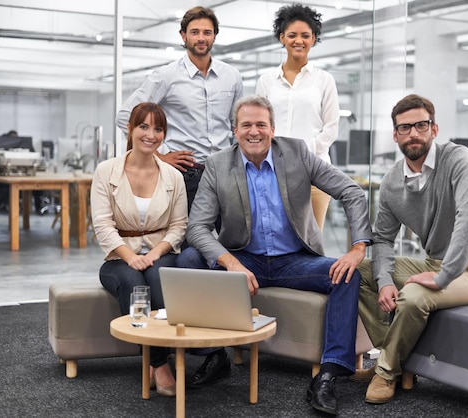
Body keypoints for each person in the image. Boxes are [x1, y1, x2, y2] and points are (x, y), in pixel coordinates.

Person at [175, 95, 372, 415]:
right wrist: (231, 262)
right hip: (244, 258)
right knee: (188, 260)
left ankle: (329, 374)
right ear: (234, 130)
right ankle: (214, 354)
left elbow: (351, 191)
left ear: (273, 128)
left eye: (261, 125)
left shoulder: (296, 153)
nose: (254, 132)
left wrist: (357, 247)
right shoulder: (217, 164)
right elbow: (197, 228)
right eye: (246, 125)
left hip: (295, 260)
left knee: (347, 274)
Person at [352, 94, 468, 404]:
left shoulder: (458, 158)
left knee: (415, 295)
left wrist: (444, 276)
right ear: (395, 135)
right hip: (433, 263)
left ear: (434, 129)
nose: (413, 134)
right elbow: (382, 239)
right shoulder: (392, 183)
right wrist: (385, 281)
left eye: (421, 125)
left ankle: (386, 371)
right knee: (361, 273)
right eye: (404, 128)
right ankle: (396, 359)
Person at [92, 102, 188, 398]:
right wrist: (131, 257)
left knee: (159, 279)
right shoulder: (106, 171)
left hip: (161, 252)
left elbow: (179, 226)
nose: (151, 134)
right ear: (130, 130)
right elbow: (103, 226)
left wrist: (154, 253)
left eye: (158, 128)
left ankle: (162, 355)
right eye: (143, 126)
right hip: (119, 256)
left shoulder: (174, 176)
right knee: (135, 284)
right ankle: (160, 364)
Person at [116, 6, 243, 212]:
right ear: (183, 36)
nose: (201, 38)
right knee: (185, 240)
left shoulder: (232, 76)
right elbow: (125, 117)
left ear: (215, 36)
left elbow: (238, 126)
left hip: (225, 172)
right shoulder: (166, 76)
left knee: (233, 240)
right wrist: (159, 156)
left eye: (207, 32)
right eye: (195, 32)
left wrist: (240, 163)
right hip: (185, 174)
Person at [255, 3, 339, 231]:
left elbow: (331, 128)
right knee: (274, 239)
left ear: (313, 38)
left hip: (315, 174)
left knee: (312, 243)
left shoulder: (324, 80)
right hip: (273, 174)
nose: (298, 41)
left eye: (305, 35)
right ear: (282, 38)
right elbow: (258, 127)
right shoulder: (266, 81)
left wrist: (300, 154)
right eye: (292, 35)